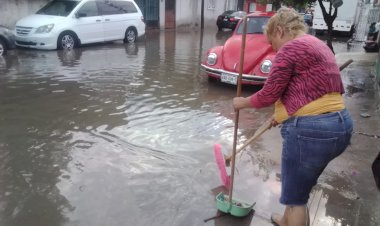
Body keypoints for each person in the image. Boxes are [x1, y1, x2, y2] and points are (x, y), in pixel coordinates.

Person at [232, 8, 353, 226]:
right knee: (298, 186)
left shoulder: (290, 48)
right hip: (340, 125)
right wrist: (282, 114)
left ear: (279, 31)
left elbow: (268, 95)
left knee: (296, 198)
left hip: (312, 132)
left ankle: (293, 218)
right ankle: (286, 220)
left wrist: (242, 102)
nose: (273, 48)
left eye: (272, 42)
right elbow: (311, 90)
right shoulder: (317, 44)